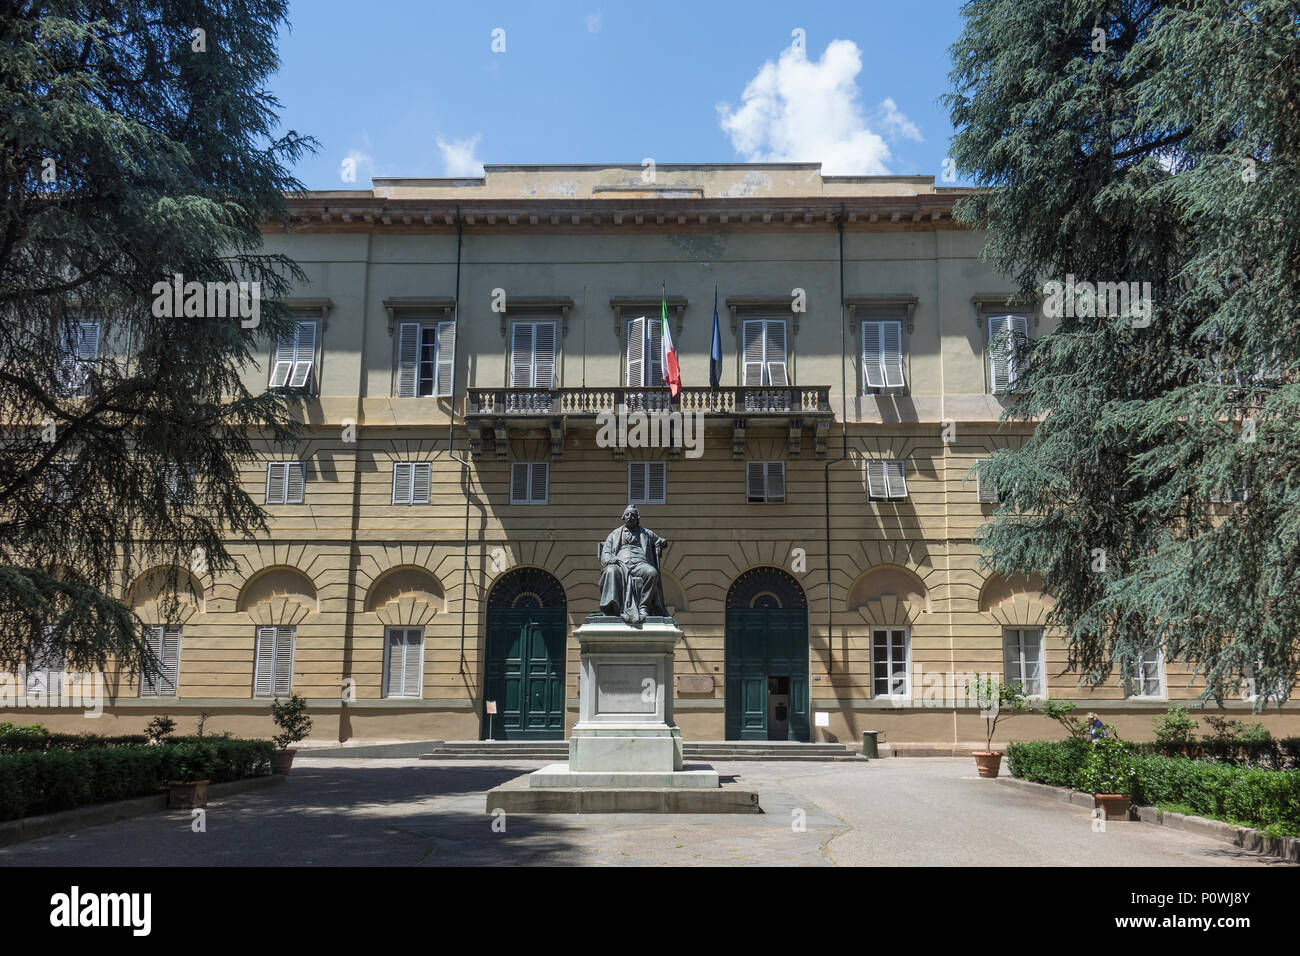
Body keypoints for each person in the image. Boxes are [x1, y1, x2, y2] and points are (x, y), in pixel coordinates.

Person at [598, 506, 669, 625]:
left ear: (637, 518)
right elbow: (606, 551)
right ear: (623, 517)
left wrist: (662, 542)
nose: (630, 517)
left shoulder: (646, 533)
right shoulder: (614, 534)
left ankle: (643, 607)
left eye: (633, 515)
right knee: (610, 570)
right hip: (620, 564)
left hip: (640, 563)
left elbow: (660, 540)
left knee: (652, 573)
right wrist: (609, 559)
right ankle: (612, 606)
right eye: (627, 515)